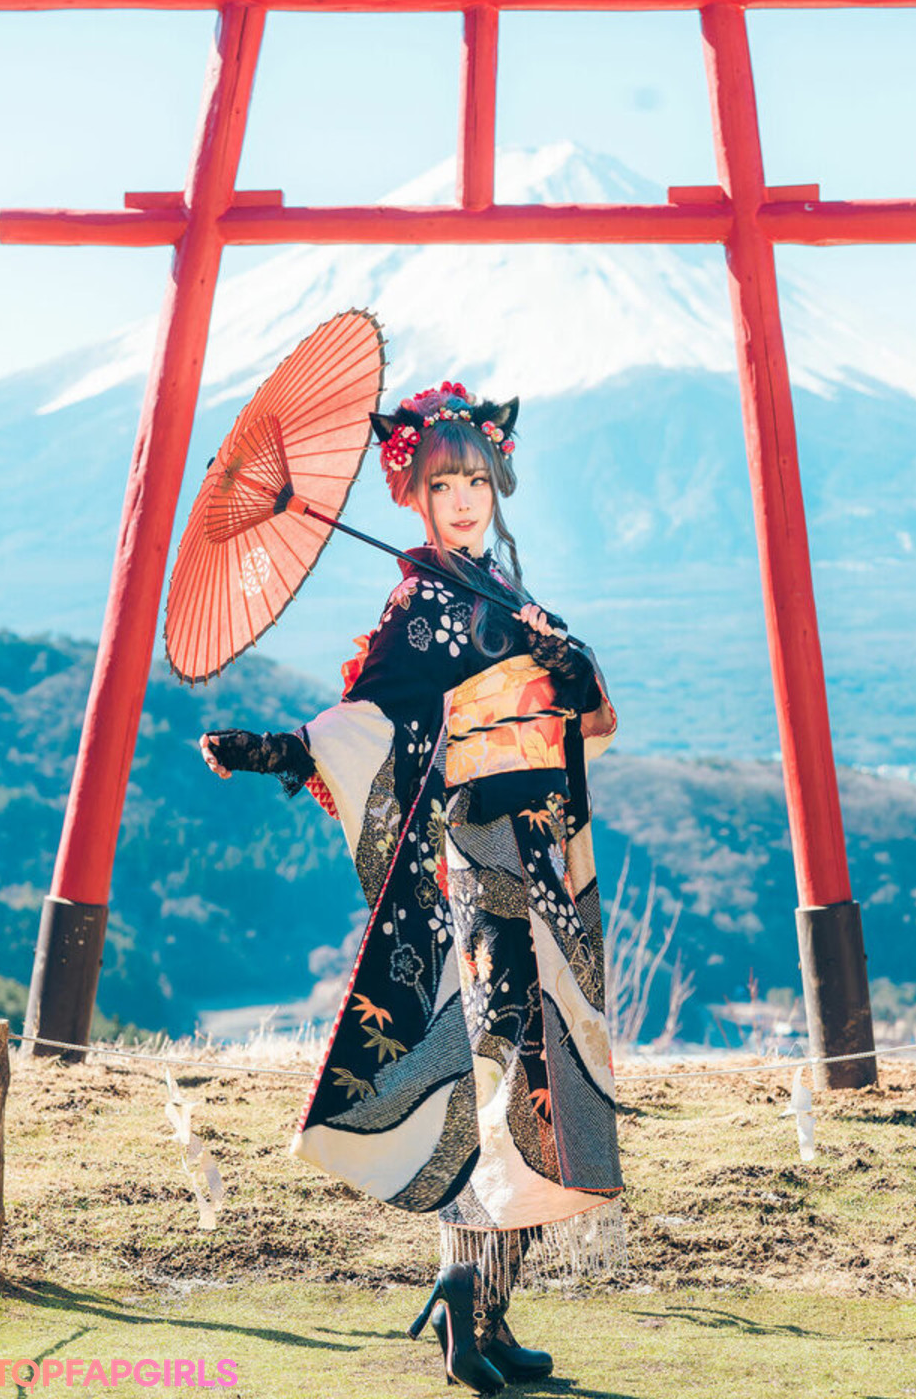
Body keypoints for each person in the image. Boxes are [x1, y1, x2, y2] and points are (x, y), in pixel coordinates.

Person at [199, 382, 626, 1394]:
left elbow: (588, 726)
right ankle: (463, 1294)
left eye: (476, 479)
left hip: (545, 850)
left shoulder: (503, 589)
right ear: (415, 495)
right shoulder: (419, 604)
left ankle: (488, 1306)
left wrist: (574, 672)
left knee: (547, 1080)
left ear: (498, 484)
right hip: (485, 858)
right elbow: (367, 723)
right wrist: (276, 750)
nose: (464, 498)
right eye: (443, 484)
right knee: (495, 1074)